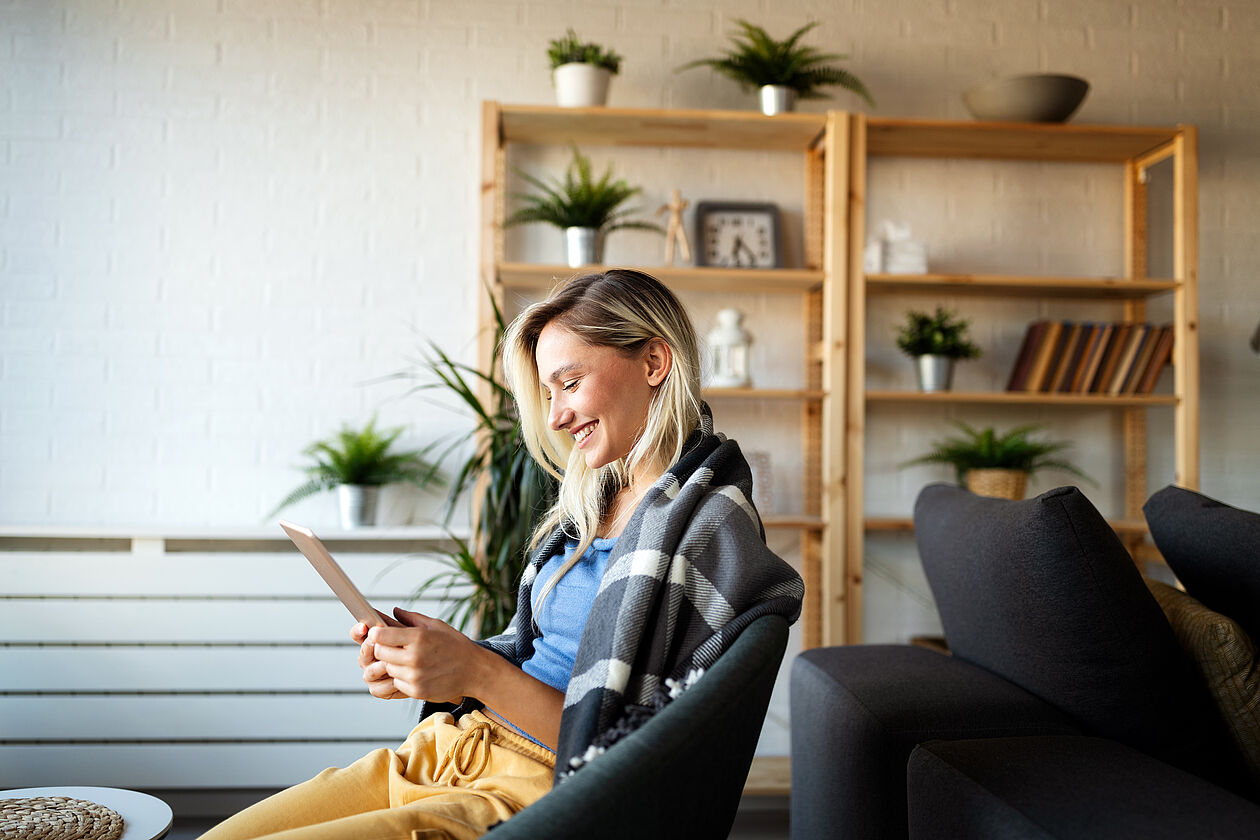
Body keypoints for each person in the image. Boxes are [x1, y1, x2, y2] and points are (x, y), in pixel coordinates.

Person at [200, 269, 803, 840]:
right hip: (448, 747)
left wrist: (473, 671)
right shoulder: (594, 507)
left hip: (532, 789)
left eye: (570, 383)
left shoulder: (708, 526)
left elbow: (636, 753)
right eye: (548, 393)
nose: (558, 415)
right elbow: (532, 652)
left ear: (653, 361)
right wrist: (430, 661)